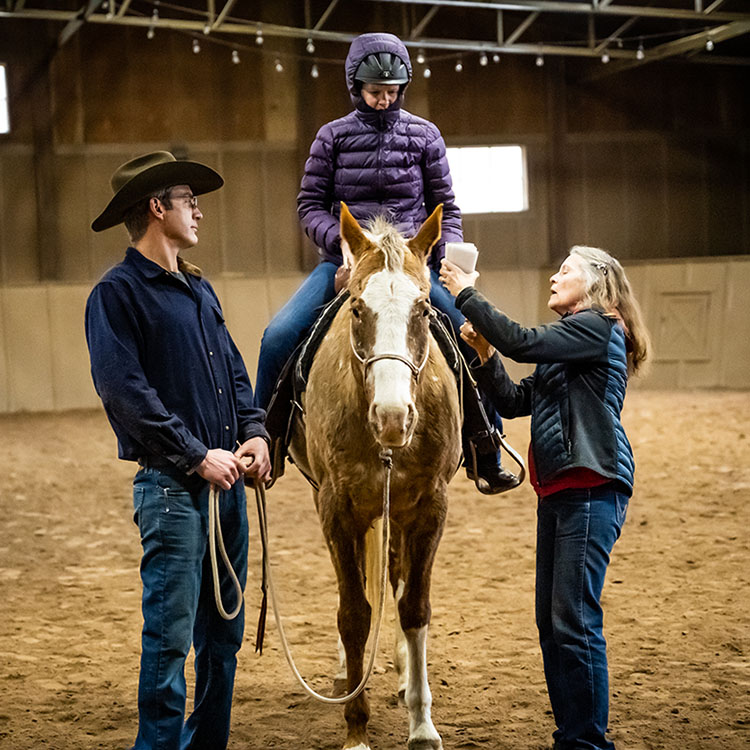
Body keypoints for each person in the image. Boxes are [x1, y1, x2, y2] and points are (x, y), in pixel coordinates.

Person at [255, 31, 518, 494]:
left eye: (392, 92)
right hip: (350, 263)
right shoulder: (331, 137)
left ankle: (486, 446)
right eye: (376, 92)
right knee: (278, 335)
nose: (383, 101)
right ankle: (265, 442)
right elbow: (310, 205)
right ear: (356, 87)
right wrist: (342, 245)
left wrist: (449, 258)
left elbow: (446, 207)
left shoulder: (424, 135)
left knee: (470, 332)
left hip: (412, 264)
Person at [85, 151, 271, 750]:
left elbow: (235, 374)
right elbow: (126, 394)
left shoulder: (198, 288)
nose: (198, 212)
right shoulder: (116, 295)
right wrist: (196, 455)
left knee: (224, 637)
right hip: (172, 487)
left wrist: (255, 432)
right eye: (190, 200)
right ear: (157, 207)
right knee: (168, 640)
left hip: (224, 484)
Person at [440, 245, 650, 750]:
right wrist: (486, 357)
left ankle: (585, 744)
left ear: (595, 283)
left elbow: (521, 340)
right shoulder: (571, 344)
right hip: (561, 489)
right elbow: (514, 401)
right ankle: (573, 737)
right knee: (555, 627)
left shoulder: (597, 327)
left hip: (590, 486)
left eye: (566, 270)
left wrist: (465, 293)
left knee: (573, 622)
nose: (554, 277)